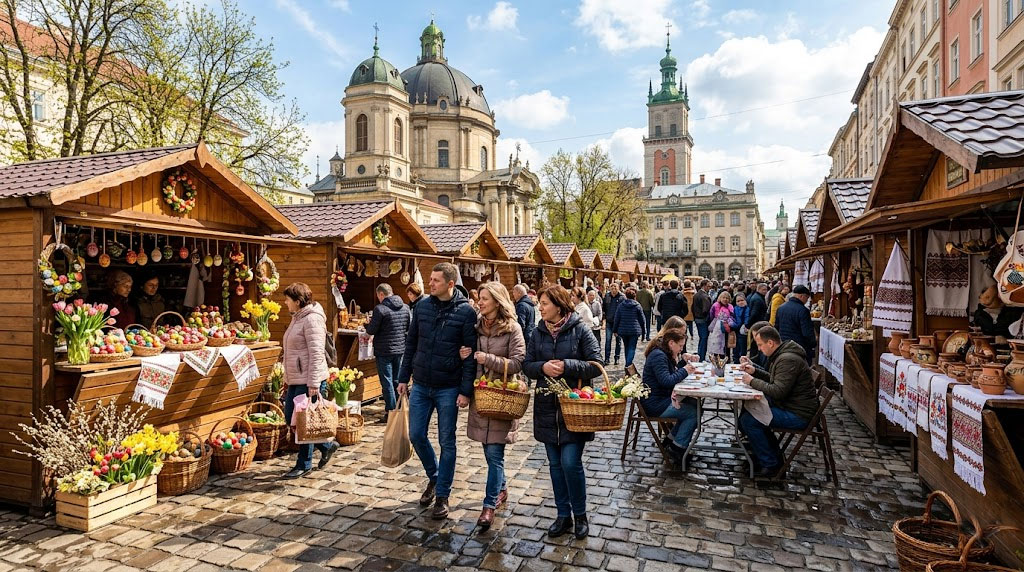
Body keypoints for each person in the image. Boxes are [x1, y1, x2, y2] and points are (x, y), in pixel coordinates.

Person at [398, 262, 478, 520]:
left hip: (448, 386)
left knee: (447, 441)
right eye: (430, 279)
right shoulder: (421, 307)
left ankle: (442, 495)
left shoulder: (466, 312)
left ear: (450, 284)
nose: (429, 284)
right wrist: (403, 377)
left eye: (435, 280)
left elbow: (470, 356)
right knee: (416, 435)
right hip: (421, 383)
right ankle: (435, 477)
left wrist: (465, 390)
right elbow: (410, 344)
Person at [523, 285, 602, 540]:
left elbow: (596, 364)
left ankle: (580, 515)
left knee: (570, 463)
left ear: (558, 305)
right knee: (555, 466)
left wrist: (567, 366)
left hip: (574, 408)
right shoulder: (537, 333)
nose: (540, 307)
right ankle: (562, 516)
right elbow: (527, 366)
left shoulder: (580, 329)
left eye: (544, 303)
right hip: (547, 408)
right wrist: (543, 367)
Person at [458, 282, 525, 530]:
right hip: (482, 396)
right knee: (488, 452)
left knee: (495, 454)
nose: (480, 302)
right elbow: (471, 359)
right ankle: (502, 488)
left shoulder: (513, 329)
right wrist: (465, 354)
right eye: (480, 298)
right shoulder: (476, 327)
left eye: (485, 298)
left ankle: (488, 506)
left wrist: (489, 359)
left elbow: (518, 362)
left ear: (498, 301)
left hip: (502, 397)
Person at [738, 326, 820, 477]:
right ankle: (768, 456)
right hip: (792, 406)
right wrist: (755, 371)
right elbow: (775, 380)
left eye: (760, 345)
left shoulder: (787, 359)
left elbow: (778, 391)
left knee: (749, 420)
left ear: (770, 343)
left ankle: (770, 464)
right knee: (749, 411)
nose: (759, 348)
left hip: (799, 414)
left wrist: (752, 381)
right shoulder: (782, 355)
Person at [281, 282, 338, 478]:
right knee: (292, 417)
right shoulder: (297, 317)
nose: (285, 302)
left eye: (288, 299)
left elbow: (316, 354)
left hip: (309, 380)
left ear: (297, 301)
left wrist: (314, 383)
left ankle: (304, 464)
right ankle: (327, 445)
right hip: (297, 378)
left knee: (303, 421)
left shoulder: (311, 320)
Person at [641, 327, 698, 464]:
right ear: (671, 343)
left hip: (660, 398)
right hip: (655, 404)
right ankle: (677, 448)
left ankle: (671, 439)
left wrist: (683, 362)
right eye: (680, 346)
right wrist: (685, 370)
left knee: (693, 403)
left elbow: (669, 373)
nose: (681, 349)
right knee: (693, 413)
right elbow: (667, 381)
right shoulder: (659, 356)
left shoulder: (663, 353)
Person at [364, 283, 411, 416]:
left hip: (384, 350)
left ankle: (391, 411)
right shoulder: (405, 308)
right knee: (397, 380)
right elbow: (409, 327)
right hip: (400, 349)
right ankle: (400, 406)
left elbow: (371, 330)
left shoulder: (380, 309)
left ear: (381, 294)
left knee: (387, 381)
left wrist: (367, 328)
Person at [775, 285, 817, 361]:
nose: (807, 301)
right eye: (807, 298)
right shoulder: (803, 310)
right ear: (802, 296)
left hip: (783, 345)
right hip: (799, 347)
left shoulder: (781, 308)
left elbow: (777, 327)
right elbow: (807, 332)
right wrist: (813, 344)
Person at [612, 287, 647, 367]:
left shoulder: (621, 305)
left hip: (623, 330)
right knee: (632, 348)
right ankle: (628, 364)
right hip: (634, 330)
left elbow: (617, 318)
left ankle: (627, 364)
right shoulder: (637, 306)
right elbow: (642, 319)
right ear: (635, 296)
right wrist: (644, 331)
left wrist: (615, 330)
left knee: (626, 347)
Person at [707, 291, 735, 360]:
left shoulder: (730, 307)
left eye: (727, 298)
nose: (725, 299)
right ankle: (717, 357)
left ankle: (726, 358)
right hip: (717, 326)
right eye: (723, 298)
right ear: (720, 298)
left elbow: (732, 315)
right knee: (717, 342)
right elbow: (711, 314)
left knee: (726, 342)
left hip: (726, 326)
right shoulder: (715, 305)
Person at [602, 283, 625, 365]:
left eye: (615, 287)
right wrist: (604, 320)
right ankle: (607, 358)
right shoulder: (607, 296)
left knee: (618, 341)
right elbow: (604, 308)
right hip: (609, 322)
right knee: (608, 340)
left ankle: (617, 358)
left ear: (618, 288)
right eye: (612, 287)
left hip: (618, 323)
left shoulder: (622, 297)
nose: (613, 289)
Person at [692, 280, 712, 360]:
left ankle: (700, 355)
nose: (709, 288)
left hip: (697, 318)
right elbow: (706, 309)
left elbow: (692, 307)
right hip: (703, 319)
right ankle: (702, 357)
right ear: (704, 286)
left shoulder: (696, 294)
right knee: (704, 338)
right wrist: (707, 318)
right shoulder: (704, 296)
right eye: (708, 286)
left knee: (701, 338)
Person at [731, 293, 750, 364]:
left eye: (742, 300)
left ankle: (742, 360)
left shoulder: (747, 308)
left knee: (742, 347)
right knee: (735, 347)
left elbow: (747, 317)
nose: (740, 302)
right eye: (738, 301)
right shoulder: (735, 308)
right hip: (735, 329)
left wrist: (745, 325)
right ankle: (736, 360)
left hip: (742, 330)